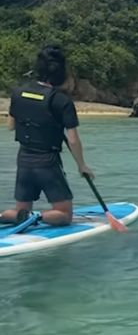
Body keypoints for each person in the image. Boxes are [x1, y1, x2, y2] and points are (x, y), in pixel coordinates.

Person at [3, 44, 95, 228]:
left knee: (19, 211)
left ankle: (13, 216)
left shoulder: (17, 93)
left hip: (24, 160)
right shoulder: (61, 101)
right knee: (64, 215)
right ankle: (34, 216)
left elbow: (10, 126)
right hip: (47, 162)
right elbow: (73, 140)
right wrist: (82, 166)